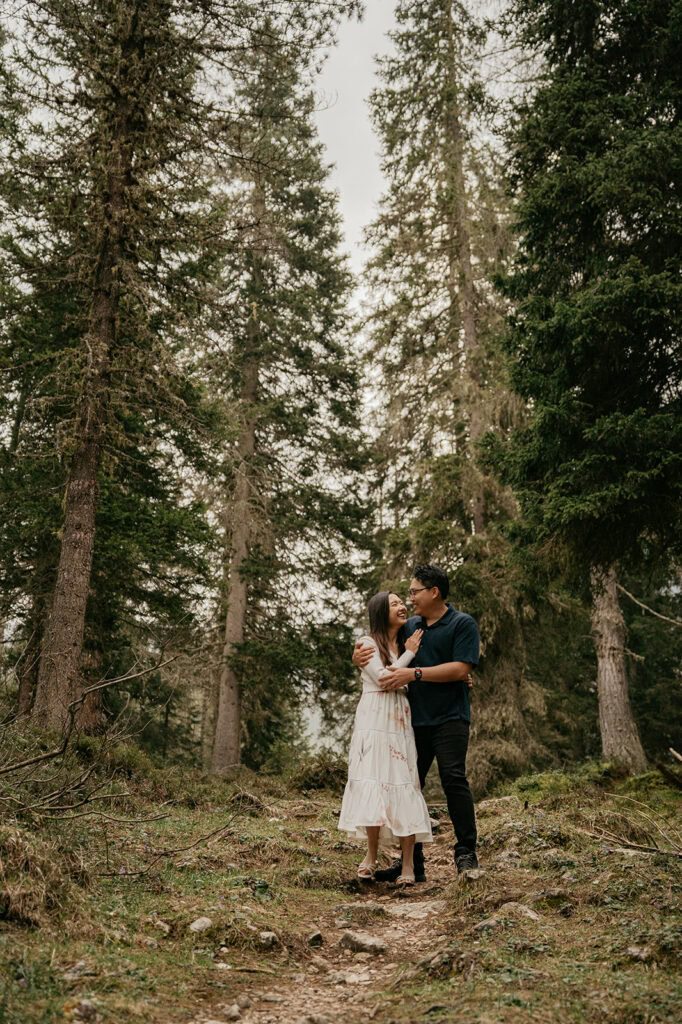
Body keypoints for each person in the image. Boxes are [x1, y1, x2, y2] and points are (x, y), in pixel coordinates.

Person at [352, 565, 479, 879]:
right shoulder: (409, 626)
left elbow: (461, 668)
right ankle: (412, 864)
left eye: (414, 592)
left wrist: (416, 673)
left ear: (433, 591)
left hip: (451, 717)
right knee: (408, 786)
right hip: (412, 722)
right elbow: (385, 646)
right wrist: (357, 655)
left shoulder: (462, 623)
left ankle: (466, 853)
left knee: (453, 779)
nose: (409, 599)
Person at [338, 591, 433, 884]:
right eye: (394, 604)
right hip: (374, 716)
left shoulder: (409, 636)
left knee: (403, 783)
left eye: (402, 602)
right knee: (373, 782)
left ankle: (407, 866)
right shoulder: (367, 644)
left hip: (399, 717)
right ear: (381, 612)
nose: (402, 606)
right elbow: (383, 678)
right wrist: (410, 654)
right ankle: (370, 855)